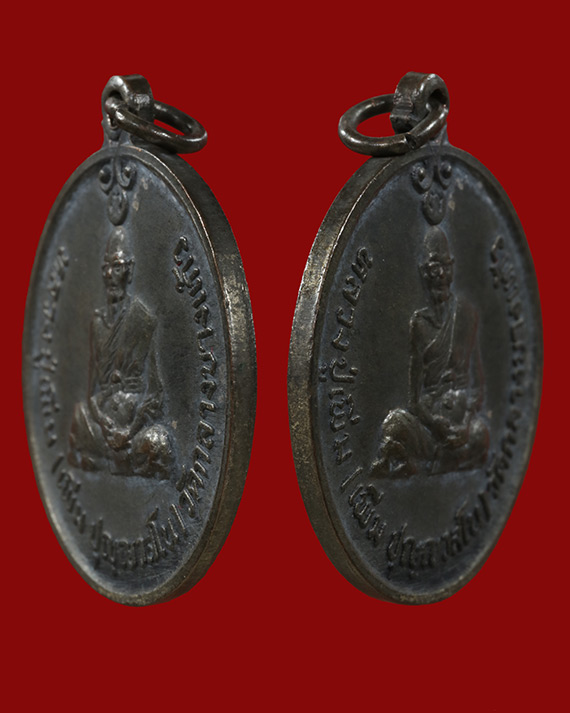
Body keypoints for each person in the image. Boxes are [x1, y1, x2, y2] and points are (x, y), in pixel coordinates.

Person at [371, 226, 488, 479]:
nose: (441, 275)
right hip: (430, 424)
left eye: (446, 266)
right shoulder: (419, 324)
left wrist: (465, 425)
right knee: (393, 423)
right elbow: (413, 400)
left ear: (453, 268)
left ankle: (427, 462)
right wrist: (435, 423)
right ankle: (445, 460)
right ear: (424, 273)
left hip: (461, 421)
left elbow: (478, 384)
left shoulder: (467, 314)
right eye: (434, 268)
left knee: (482, 434)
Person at [68, 227, 173, 478]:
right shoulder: (97, 323)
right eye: (106, 267)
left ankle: (109, 460)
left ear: (130, 270)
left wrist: (129, 431)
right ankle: (115, 462)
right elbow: (91, 393)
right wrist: (104, 423)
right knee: (78, 416)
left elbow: (156, 394)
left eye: (117, 267)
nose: (110, 275)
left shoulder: (142, 320)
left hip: (132, 425)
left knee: (159, 443)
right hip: (102, 423)